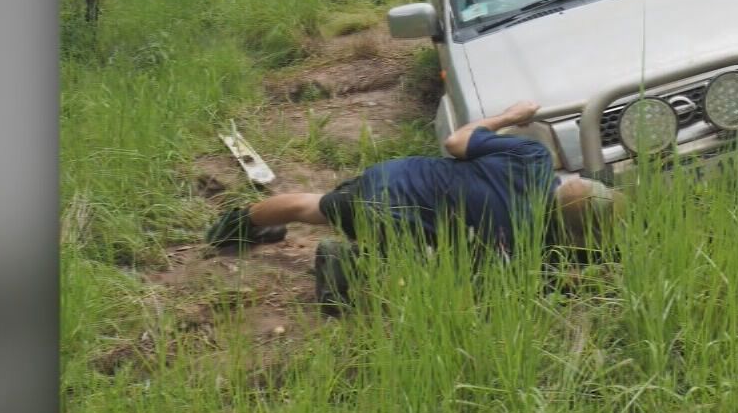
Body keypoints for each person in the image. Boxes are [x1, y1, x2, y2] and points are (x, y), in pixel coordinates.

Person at [204, 100, 621, 307]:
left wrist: (508, 116)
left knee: (311, 206)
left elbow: (455, 142)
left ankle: (235, 224)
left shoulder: (532, 158)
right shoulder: (520, 239)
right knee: (428, 271)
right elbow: (485, 287)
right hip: (393, 217)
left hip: (396, 175)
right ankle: (346, 263)